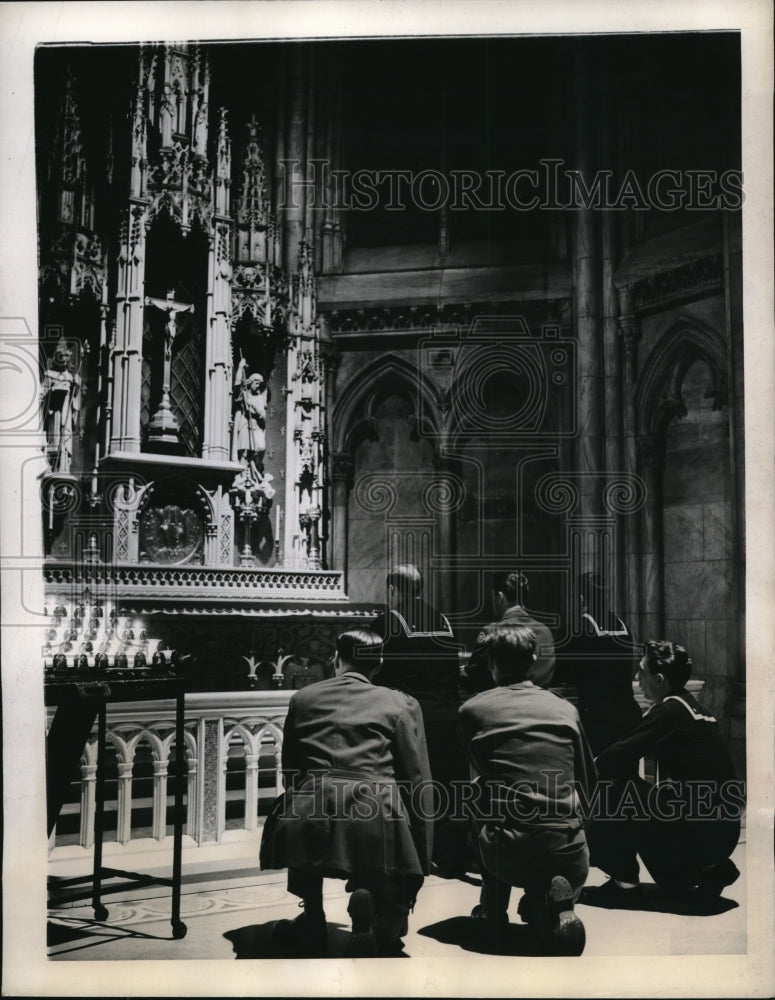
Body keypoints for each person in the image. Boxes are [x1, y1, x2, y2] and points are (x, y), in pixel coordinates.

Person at [259, 627, 433, 958]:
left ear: (336, 659)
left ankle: (312, 917)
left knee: (303, 803)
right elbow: (415, 779)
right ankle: (372, 903)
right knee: (379, 816)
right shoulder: (399, 704)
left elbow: (291, 772)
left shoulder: (303, 699)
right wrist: (418, 856)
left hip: (309, 811)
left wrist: (298, 805)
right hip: (373, 809)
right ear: (378, 664)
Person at [458, 626, 595, 955]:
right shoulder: (565, 709)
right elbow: (588, 779)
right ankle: (549, 898)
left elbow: (477, 770)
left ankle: (493, 909)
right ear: (533, 661)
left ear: (492, 663)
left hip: (509, 852)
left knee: (478, 797)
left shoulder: (473, 710)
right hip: (569, 846)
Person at [582, 640, 742, 907]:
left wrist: (585, 770)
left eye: (641, 672)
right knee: (645, 795)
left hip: (700, 833)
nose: (636, 677)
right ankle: (709, 870)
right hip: (722, 833)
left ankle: (625, 886)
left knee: (612, 786)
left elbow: (613, 759)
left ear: (658, 679)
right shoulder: (693, 708)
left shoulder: (668, 711)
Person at [372, 563, 471, 876]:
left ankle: (414, 852)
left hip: (412, 719)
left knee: (411, 787)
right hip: (449, 717)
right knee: (450, 788)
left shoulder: (389, 620)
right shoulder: (443, 620)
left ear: (393, 589)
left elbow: (378, 674)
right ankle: (454, 854)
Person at [558, 571, 642, 757]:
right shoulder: (622, 625)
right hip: (629, 715)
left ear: (580, 599)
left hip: (598, 719)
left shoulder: (580, 628)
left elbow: (564, 672)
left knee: (599, 779)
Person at [461, 571, 555, 696]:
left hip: (501, 708)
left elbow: (473, 678)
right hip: (541, 706)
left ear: (500, 597)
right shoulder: (545, 631)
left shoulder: (493, 631)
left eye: (492, 596)